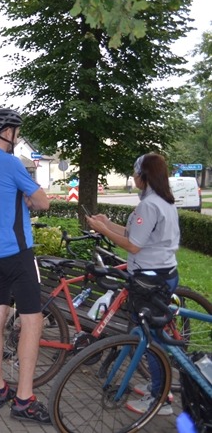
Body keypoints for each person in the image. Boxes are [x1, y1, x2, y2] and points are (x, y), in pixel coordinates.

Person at [0, 108, 51, 423]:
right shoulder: (10, 163)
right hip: (17, 252)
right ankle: (25, 400)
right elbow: (42, 201)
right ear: (6, 131)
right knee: (33, 321)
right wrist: (28, 200)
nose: (18, 137)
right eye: (17, 131)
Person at [86, 153, 179, 416]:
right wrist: (107, 223)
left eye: (135, 173)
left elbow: (133, 245)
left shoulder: (149, 205)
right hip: (164, 274)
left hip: (151, 280)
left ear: (144, 175)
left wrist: (101, 230)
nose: (133, 177)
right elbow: (136, 234)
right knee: (153, 335)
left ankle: (160, 398)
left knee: (150, 339)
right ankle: (160, 386)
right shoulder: (163, 201)